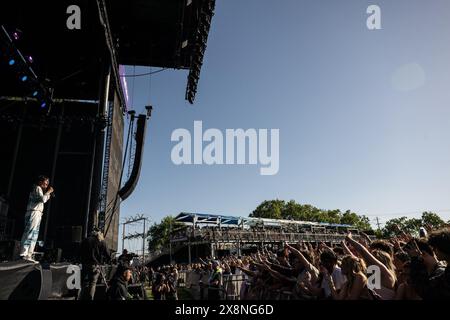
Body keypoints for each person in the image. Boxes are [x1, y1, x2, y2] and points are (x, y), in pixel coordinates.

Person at [19, 175, 54, 262]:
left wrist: (47, 194)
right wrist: (48, 192)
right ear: (40, 182)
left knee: (34, 234)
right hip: (33, 212)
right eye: (45, 183)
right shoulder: (37, 188)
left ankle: (29, 255)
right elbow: (42, 199)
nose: (46, 186)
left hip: (37, 213)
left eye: (47, 184)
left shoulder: (40, 190)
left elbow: (43, 199)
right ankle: (24, 253)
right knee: (30, 232)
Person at [79, 228, 111, 300]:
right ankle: (90, 298)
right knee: (92, 283)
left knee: (82, 283)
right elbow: (108, 254)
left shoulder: (85, 240)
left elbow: (79, 252)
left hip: (85, 264)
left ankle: (79, 297)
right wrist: (107, 261)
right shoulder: (102, 241)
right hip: (95, 265)